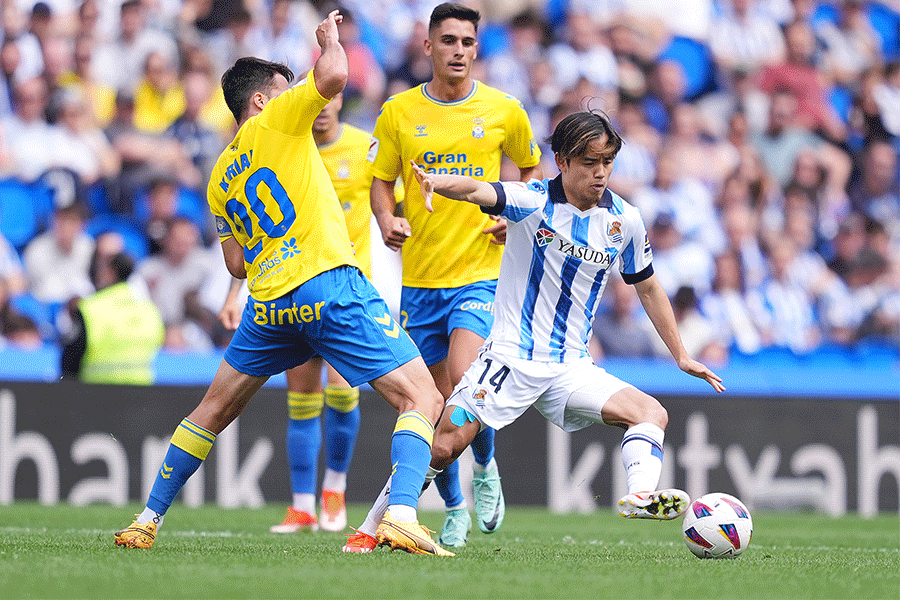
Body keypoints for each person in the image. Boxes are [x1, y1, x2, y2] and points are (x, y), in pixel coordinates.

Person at [114, 11, 452, 557]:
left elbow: (235, 265)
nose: (297, 93)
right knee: (422, 395)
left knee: (213, 408)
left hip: (269, 303)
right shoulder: (278, 120)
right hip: (327, 282)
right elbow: (336, 76)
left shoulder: (220, 174)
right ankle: (404, 516)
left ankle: (147, 518)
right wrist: (331, 42)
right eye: (286, 88)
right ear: (262, 101)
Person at [355, 111, 725, 552]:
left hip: (571, 367)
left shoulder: (625, 221)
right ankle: (369, 528)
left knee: (651, 413)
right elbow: (478, 188)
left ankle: (641, 494)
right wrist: (437, 180)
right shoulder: (531, 202)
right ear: (563, 161)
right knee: (443, 446)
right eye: (589, 162)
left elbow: (647, 286)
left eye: (607, 161)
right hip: (510, 358)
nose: (600, 172)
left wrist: (680, 354)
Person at [347, 2, 543, 552]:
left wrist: (513, 213)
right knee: (433, 406)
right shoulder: (398, 111)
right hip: (421, 279)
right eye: (448, 40)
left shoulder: (503, 110)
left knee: (464, 378)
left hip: (481, 270)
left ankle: (486, 468)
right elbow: (381, 179)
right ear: (428, 46)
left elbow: (530, 170)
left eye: (467, 41)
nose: (459, 50)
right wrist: (387, 219)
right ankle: (453, 507)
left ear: (477, 48)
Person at [219, 92, 372, 534]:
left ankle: (334, 492)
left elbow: (392, 206)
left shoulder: (365, 149)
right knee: (302, 401)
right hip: (293, 290)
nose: (323, 106)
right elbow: (260, 230)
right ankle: (302, 505)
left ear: (341, 98)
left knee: (343, 393)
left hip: (345, 291)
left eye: (333, 97)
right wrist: (235, 293)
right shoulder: (284, 147)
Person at [60, 242, 164, 384]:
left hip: (97, 393)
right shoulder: (150, 310)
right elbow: (157, 345)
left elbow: (71, 357)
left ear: (110, 272)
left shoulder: (91, 308)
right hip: (141, 391)